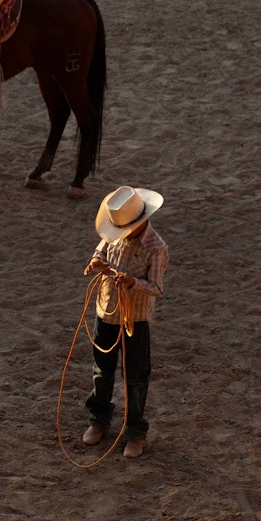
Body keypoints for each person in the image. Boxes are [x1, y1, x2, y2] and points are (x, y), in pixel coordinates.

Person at [80, 185, 169, 458]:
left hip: (136, 319)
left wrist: (132, 282)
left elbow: (156, 288)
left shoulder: (157, 248)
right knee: (102, 369)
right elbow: (101, 250)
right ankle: (99, 419)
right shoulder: (116, 234)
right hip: (106, 311)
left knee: (135, 376)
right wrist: (97, 261)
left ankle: (135, 431)